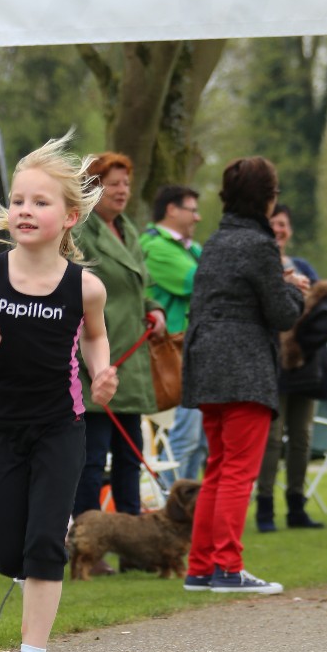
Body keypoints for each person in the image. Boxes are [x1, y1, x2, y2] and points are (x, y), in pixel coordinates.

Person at [0, 137, 118, 652]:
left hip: (59, 427)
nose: (24, 210)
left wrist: (102, 371)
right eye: (18, 200)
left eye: (40, 202)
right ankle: (26, 565)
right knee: (6, 552)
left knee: (45, 544)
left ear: (68, 216)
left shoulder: (86, 286)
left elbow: (95, 336)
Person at [181, 157, 306, 595]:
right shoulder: (259, 243)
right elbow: (282, 313)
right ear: (268, 198)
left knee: (217, 468)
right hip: (244, 366)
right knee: (237, 472)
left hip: (206, 364)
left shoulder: (216, 240)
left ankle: (201, 567)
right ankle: (229, 568)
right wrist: (294, 289)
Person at [70, 152, 165, 523]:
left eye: (126, 183)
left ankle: (132, 536)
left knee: (130, 454)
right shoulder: (80, 231)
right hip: (97, 357)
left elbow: (139, 286)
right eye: (114, 184)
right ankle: (86, 536)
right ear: (94, 188)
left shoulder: (128, 229)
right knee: (93, 456)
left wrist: (153, 307)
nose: (123, 190)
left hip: (131, 360)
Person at [255, 203, 327, 532]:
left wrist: (303, 344)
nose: (279, 229)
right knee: (272, 438)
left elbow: (323, 308)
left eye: (283, 224)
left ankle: (296, 505)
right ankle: (265, 507)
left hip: (304, 367)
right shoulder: (259, 265)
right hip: (271, 365)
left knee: (302, 436)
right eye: (273, 223)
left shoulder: (304, 267)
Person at [139, 184, 208, 484]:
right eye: (192, 210)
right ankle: (169, 504)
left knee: (199, 442)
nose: (198, 217)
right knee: (185, 439)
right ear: (171, 210)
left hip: (192, 351)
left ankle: (187, 506)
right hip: (175, 354)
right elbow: (202, 281)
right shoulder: (156, 247)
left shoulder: (189, 248)